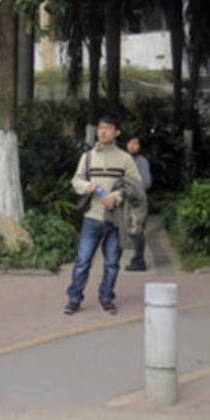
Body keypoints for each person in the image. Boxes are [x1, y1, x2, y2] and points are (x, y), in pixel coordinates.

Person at [65, 114, 142, 316]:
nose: (103, 132)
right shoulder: (88, 157)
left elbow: (136, 186)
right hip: (92, 217)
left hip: (115, 220)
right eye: (100, 128)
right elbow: (76, 180)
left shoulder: (125, 159)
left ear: (116, 132)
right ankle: (74, 298)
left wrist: (116, 196)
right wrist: (87, 186)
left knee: (112, 263)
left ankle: (106, 298)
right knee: (83, 260)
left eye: (108, 128)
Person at [124, 132, 152, 271]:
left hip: (138, 201)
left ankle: (139, 261)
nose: (134, 146)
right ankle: (137, 259)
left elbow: (146, 182)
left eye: (136, 143)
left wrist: (131, 188)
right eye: (131, 143)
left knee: (138, 230)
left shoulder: (141, 162)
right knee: (131, 230)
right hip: (126, 201)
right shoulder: (123, 160)